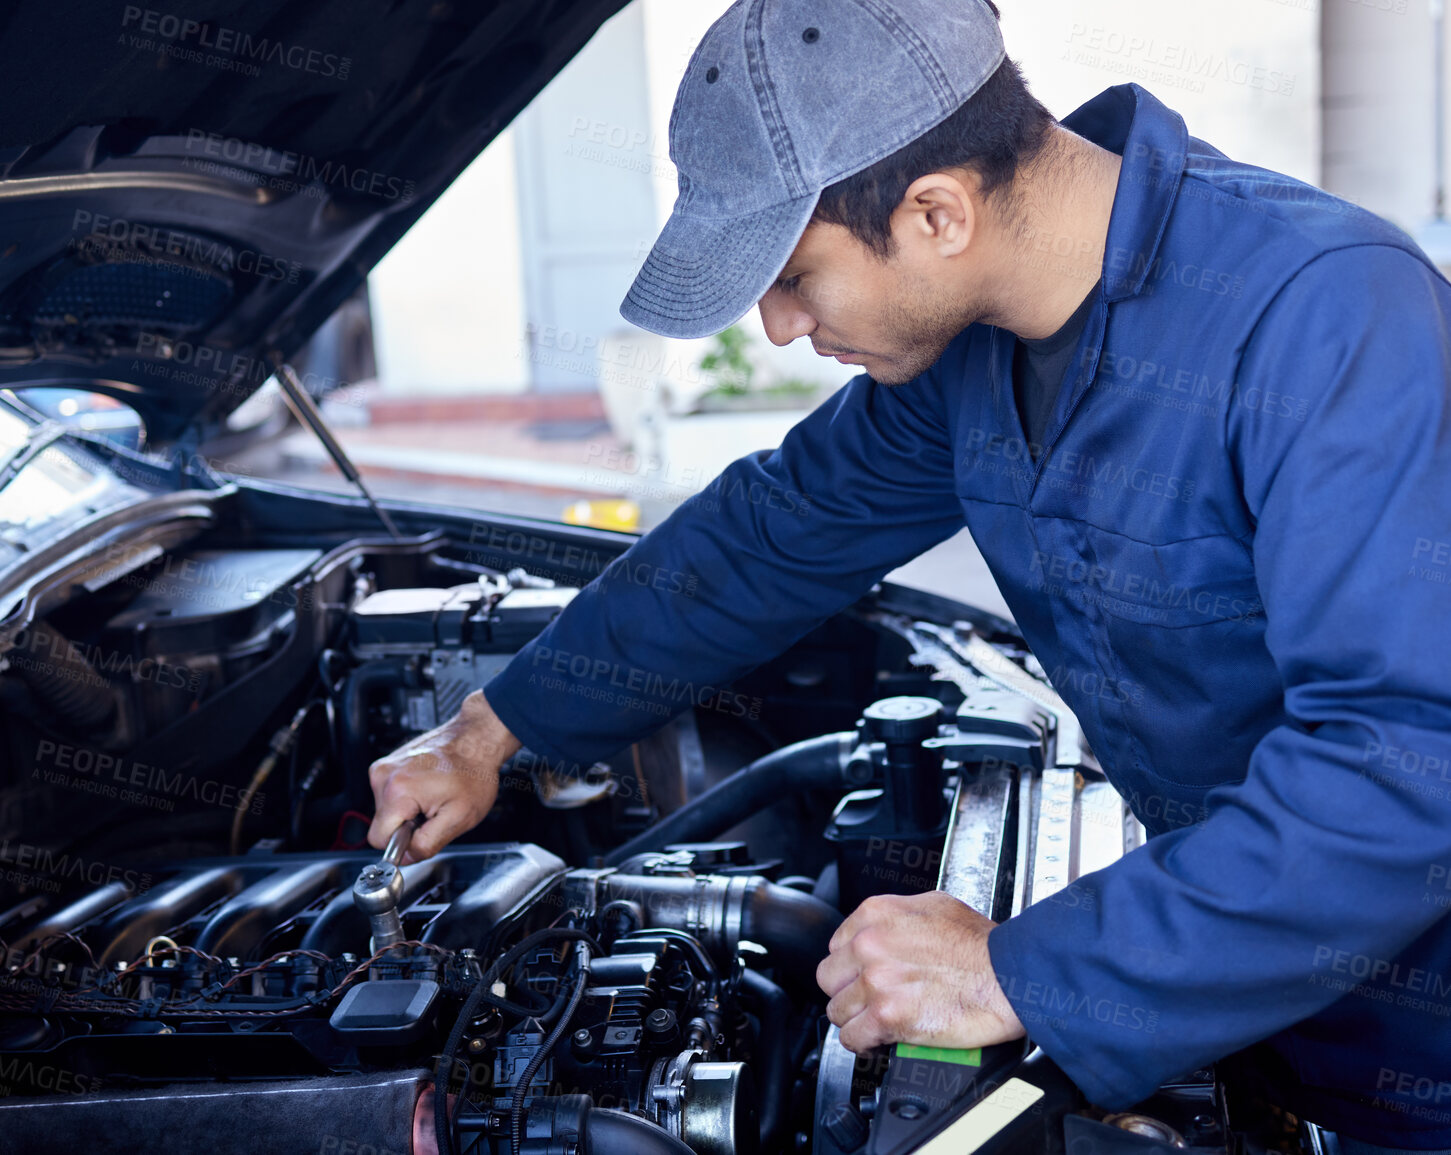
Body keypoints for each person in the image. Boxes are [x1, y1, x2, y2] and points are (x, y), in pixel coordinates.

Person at [367, 0, 1451, 1150]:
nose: (781, 327)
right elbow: (771, 532)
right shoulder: (969, 361)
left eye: (794, 277)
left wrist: (1024, 975)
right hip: (1244, 1003)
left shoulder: (1327, 316)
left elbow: (1407, 766)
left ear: (936, 213)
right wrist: (494, 728)